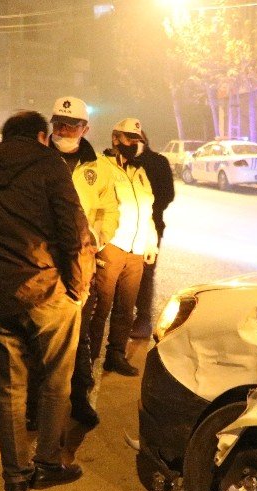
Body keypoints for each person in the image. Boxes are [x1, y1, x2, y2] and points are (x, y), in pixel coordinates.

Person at [0, 110, 93, 491]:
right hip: (47, 291)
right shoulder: (50, 167)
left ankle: (15, 476)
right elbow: (74, 231)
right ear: (40, 136)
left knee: (8, 390)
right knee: (54, 382)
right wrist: (78, 287)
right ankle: (48, 463)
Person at [31, 96, 118, 432]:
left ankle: (79, 399)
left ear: (86, 128)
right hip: (44, 264)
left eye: (71, 125)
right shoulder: (38, 160)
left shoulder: (98, 167)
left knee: (79, 336)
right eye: (59, 123)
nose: (64, 130)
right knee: (41, 338)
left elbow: (110, 210)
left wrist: (99, 237)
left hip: (82, 264)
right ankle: (36, 406)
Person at [89, 118, 158, 376]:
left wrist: (150, 242)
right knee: (100, 308)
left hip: (136, 250)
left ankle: (115, 355)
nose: (134, 144)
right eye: (130, 139)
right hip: (112, 246)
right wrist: (97, 241)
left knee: (125, 309)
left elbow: (147, 211)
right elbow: (94, 207)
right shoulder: (100, 166)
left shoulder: (138, 172)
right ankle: (89, 357)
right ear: (115, 138)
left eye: (138, 140)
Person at [131, 129, 175, 339]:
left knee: (145, 274)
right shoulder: (118, 162)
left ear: (143, 140)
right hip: (122, 229)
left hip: (151, 227)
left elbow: (168, 195)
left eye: (134, 139)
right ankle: (121, 317)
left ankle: (143, 318)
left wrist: (147, 209)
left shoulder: (158, 162)